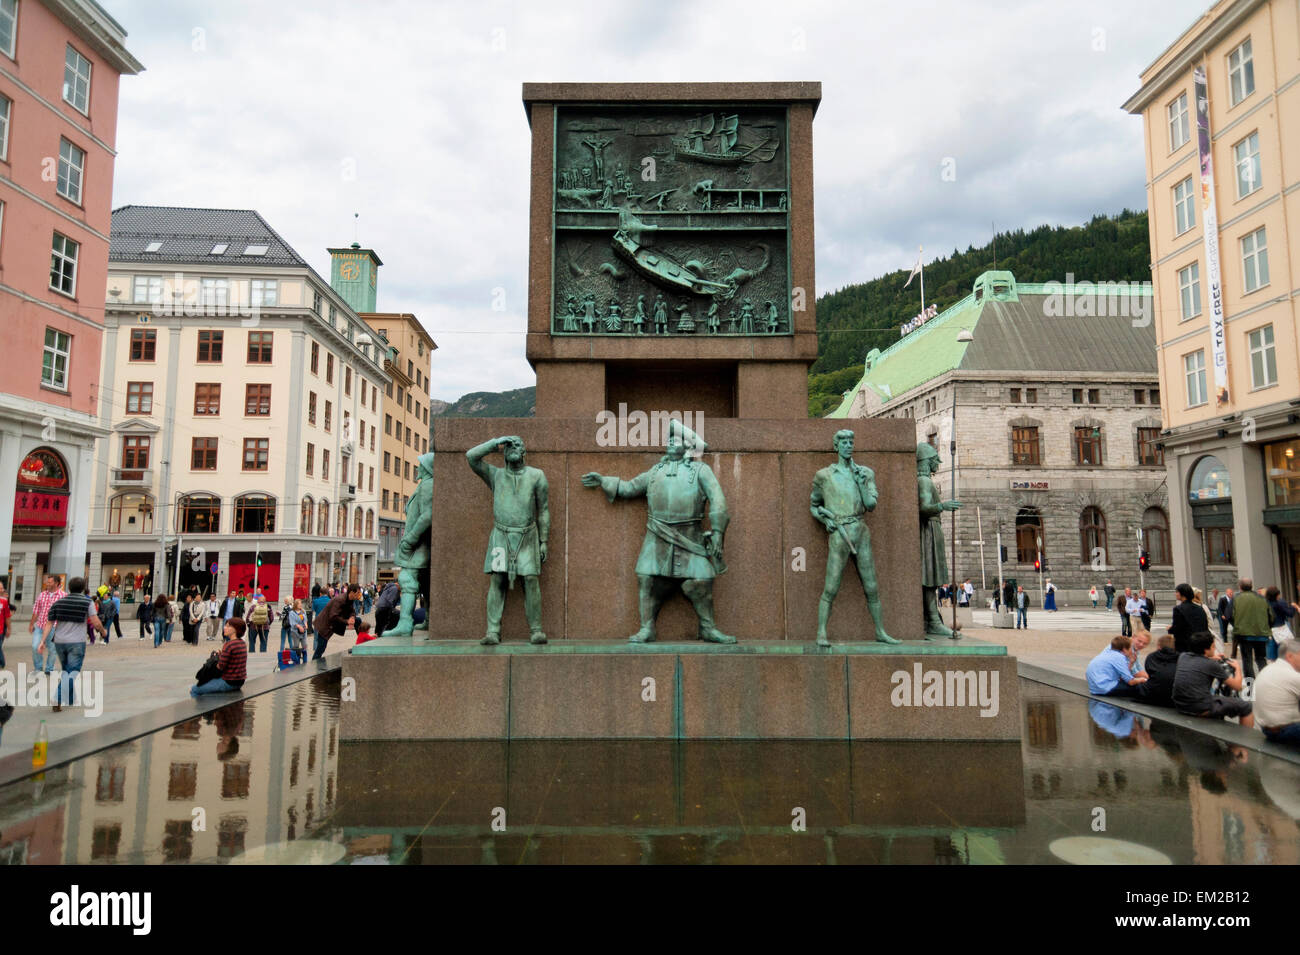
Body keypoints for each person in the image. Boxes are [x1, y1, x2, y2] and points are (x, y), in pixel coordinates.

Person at [38, 577, 105, 711]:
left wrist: (42, 641)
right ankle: (57, 697)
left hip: (59, 642)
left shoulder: (58, 602)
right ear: (82, 588)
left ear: (69, 587)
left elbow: (49, 623)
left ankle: (70, 699)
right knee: (72, 671)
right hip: (76, 641)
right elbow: (95, 621)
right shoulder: (87, 602)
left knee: (66, 670)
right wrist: (103, 631)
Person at [1173, 630, 1254, 727]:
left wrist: (1210, 657)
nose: (1214, 648)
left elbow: (1199, 661)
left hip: (1180, 704)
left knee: (1216, 698)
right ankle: (1245, 739)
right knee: (1246, 706)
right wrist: (1237, 668)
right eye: (1213, 646)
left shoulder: (1183, 656)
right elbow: (1237, 686)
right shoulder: (1211, 664)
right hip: (1199, 707)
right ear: (1206, 649)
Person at [1253, 637, 1300, 745]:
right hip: (1285, 731)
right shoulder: (1291, 675)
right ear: (1290, 656)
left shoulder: (1269, 669)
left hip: (1268, 729)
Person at [191, 617, 248, 697]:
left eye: (228, 626)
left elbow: (220, 666)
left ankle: (201, 709)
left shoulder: (229, 644)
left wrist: (215, 658)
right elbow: (233, 659)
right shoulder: (242, 643)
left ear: (235, 629)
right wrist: (222, 655)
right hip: (240, 681)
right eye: (225, 625)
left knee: (194, 689)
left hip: (229, 682)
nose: (225, 628)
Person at [1231, 578, 1271, 682]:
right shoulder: (1262, 599)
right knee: (1261, 659)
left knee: (1247, 661)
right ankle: (1265, 683)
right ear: (1251, 586)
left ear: (1240, 587)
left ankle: (1250, 690)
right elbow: (1271, 616)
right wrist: (1266, 627)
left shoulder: (1236, 598)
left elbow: (1229, 615)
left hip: (1244, 634)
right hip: (1261, 634)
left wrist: (1237, 624)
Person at [30, 575, 65, 676]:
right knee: (35, 646)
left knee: (53, 649)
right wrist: (32, 624)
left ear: (57, 583)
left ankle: (49, 668)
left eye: (50, 582)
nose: (47, 584)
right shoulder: (42, 594)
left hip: (55, 627)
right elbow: (36, 610)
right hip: (40, 626)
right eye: (47, 582)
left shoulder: (63, 596)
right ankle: (38, 668)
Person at [313, 584, 359, 660]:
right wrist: (347, 621)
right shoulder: (340, 600)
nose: (358, 595)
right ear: (351, 592)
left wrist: (352, 617)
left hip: (331, 625)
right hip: (324, 625)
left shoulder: (350, 599)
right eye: (357, 593)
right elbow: (333, 616)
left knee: (358, 620)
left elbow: (352, 611)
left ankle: (361, 641)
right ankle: (313, 666)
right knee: (320, 649)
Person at [1141, 633, 1182, 707]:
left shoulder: (1152, 656)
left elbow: (1150, 672)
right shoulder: (1180, 657)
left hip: (1153, 694)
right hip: (1174, 695)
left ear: (1159, 646)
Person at [1168, 583, 1208, 654]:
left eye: (1177, 592)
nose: (1176, 594)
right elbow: (1205, 625)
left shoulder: (1178, 609)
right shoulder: (1200, 608)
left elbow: (1177, 628)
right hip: (1200, 643)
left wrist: (1170, 629)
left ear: (1182, 593)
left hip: (1184, 645)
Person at [1265, 585, 1294, 663]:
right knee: (1283, 652)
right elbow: (1290, 613)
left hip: (1269, 630)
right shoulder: (1279, 603)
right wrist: (1292, 606)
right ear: (1276, 595)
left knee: (1271, 655)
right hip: (1280, 630)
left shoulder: (1264, 603)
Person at [287, 599, 308, 664]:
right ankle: (297, 661)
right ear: (296, 605)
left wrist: (306, 625)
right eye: (299, 604)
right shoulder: (292, 613)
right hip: (295, 631)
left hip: (303, 631)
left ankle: (305, 661)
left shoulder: (303, 611)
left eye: (301, 603)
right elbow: (292, 622)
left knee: (304, 646)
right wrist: (299, 626)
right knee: (296, 646)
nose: (300, 605)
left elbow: (305, 620)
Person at [1216, 587, 1235, 656]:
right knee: (1224, 629)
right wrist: (1222, 615)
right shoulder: (1222, 599)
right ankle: (1225, 641)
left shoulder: (1233, 599)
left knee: (1235, 627)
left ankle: (1234, 640)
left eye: (1232, 592)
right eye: (1230, 593)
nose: (1231, 594)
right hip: (1224, 616)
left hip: (1231, 617)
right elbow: (1220, 608)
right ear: (1226, 593)